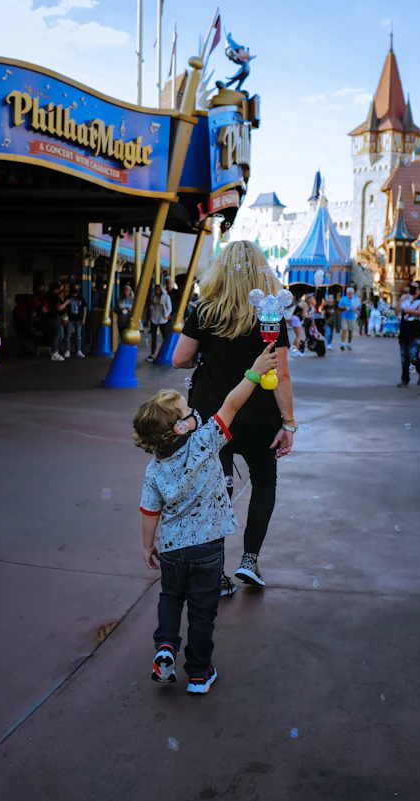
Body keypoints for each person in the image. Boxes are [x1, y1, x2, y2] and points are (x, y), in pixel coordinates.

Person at [136, 343, 278, 694]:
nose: (194, 411)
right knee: (202, 611)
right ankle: (199, 673)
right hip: (207, 549)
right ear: (181, 429)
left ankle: (166, 647)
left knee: (170, 598)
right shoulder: (205, 440)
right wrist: (255, 371)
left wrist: (146, 546)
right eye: (187, 411)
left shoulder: (154, 469)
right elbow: (231, 403)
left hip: (172, 549)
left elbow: (149, 511)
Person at [172, 241, 296, 589]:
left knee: (216, 491)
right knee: (264, 483)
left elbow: (179, 359)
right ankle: (250, 561)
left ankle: (217, 574)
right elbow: (282, 375)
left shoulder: (205, 311)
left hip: (214, 417)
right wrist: (288, 423)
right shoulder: (270, 315)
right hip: (259, 414)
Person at [397, 281, 420, 387]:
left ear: (419, 289)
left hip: (416, 331)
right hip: (404, 330)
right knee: (404, 357)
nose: (411, 289)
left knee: (413, 355)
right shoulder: (406, 298)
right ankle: (405, 379)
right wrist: (401, 300)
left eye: (414, 287)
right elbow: (397, 310)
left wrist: (409, 311)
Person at [41, 282, 68, 361]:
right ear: (55, 289)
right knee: (57, 336)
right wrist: (66, 303)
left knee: (60, 335)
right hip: (54, 317)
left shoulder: (46, 295)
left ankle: (54, 350)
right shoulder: (54, 297)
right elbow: (59, 307)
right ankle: (54, 352)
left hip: (49, 317)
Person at [146, 283, 172, 362]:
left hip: (162, 319)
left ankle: (166, 352)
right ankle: (153, 353)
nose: (157, 291)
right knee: (153, 336)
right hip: (154, 318)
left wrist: (166, 315)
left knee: (165, 336)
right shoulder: (153, 297)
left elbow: (169, 308)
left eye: (158, 289)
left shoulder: (166, 297)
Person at [65, 284, 86, 358]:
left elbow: (84, 308)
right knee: (68, 335)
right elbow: (65, 308)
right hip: (70, 318)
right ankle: (68, 350)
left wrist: (83, 319)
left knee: (78, 335)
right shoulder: (68, 297)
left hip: (78, 319)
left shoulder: (81, 298)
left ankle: (78, 350)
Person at [337, 286, 361, 351]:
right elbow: (339, 306)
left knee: (351, 331)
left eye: (351, 293)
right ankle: (343, 343)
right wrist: (345, 308)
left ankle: (349, 344)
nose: (350, 294)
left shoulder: (356, 299)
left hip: (352, 317)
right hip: (344, 316)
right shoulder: (343, 299)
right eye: (349, 293)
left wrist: (357, 308)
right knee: (344, 329)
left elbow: (360, 307)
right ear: (347, 293)